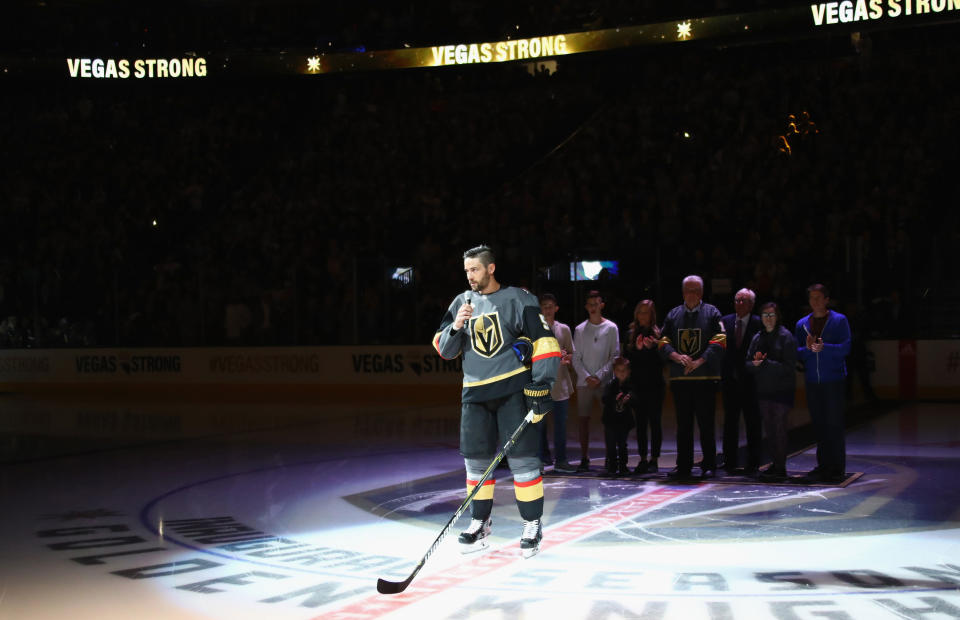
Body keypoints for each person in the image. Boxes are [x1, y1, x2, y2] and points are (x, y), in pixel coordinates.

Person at [432, 245, 560, 557]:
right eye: (466, 271)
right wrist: (457, 325)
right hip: (474, 394)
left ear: (490, 269)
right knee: (475, 462)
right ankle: (480, 522)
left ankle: (532, 523)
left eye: (474, 270)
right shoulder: (461, 302)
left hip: (512, 391)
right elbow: (443, 348)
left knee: (524, 460)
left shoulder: (519, 298)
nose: (469, 276)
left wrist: (542, 384)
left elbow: (545, 341)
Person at [658, 275, 726, 480]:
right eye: (688, 289)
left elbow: (721, 340)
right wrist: (676, 356)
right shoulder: (673, 314)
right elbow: (662, 341)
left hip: (705, 379)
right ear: (682, 292)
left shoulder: (712, 313)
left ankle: (709, 464)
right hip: (680, 380)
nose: (692, 294)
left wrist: (699, 361)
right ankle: (684, 465)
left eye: (696, 290)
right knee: (683, 426)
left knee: (706, 424)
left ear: (702, 292)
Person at [795, 283, 852, 484]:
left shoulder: (839, 320)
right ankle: (823, 465)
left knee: (834, 425)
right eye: (812, 298)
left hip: (834, 381)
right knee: (819, 425)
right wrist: (808, 350)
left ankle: (837, 467)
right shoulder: (802, 323)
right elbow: (797, 352)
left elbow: (846, 347)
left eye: (819, 297)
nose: (815, 301)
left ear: (827, 300)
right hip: (813, 381)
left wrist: (824, 347)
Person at [745, 301, 798, 482]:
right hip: (764, 390)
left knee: (780, 428)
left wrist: (766, 364)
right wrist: (755, 364)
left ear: (778, 317)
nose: (768, 318)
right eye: (765, 315)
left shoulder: (786, 337)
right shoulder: (757, 337)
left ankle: (781, 466)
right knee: (769, 429)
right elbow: (748, 364)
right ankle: (775, 464)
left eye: (771, 315)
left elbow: (790, 368)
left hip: (782, 390)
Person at [572, 290, 620, 472]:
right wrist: (587, 377)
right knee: (583, 420)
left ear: (602, 305)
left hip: (605, 382)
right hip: (584, 383)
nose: (593, 307)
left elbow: (615, 355)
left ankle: (610, 456)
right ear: (586, 307)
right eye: (590, 304)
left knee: (608, 420)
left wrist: (599, 376)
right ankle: (585, 457)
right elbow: (576, 358)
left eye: (596, 304)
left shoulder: (611, 328)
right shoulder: (579, 329)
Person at [720, 288, 763, 474]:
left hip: (751, 382)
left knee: (753, 422)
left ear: (752, 304)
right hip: (729, 381)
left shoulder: (759, 323)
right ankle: (729, 461)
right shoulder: (725, 321)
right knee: (730, 422)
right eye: (737, 300)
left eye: (744, 301)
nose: (739, 304)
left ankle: (753, 462)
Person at [623, 299, 664, 474]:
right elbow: (626, 361)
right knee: (640, 424)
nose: (642, 315)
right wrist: (637, 350)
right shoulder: (630, 333)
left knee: (655, 423)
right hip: (637, 386)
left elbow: (663, 362)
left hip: (655, 386)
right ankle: (642, 459)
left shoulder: (659, 334)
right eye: (640, 312)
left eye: (646, 312)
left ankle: (654, 459)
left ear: (652, 315)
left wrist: (653, 348)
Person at [538, 293, 577, 473]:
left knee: (560, 426)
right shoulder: (534, 328)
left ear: (556, 308)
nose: (547, 309)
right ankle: (541, 459)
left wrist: (565, 358)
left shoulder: (564, 329)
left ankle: (561, 459)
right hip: (540, 385)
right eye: (544, 306)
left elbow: (570, 353)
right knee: (539, 427)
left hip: (560, 385)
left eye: (550, 306)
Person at [601, 357, 637, 476]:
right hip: (610, 421)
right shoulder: (610, 385)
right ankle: (612, 465)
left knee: (622, 444)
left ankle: (623, 465)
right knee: (611, 444)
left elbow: (636, 400)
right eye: (619, 370)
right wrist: (614, 399)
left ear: (629, 371)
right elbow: (604, 399)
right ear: (614, 372)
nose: (621, 373)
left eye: (624, 370)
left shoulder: (631, 386)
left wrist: (629, 399)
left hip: (623, 421)